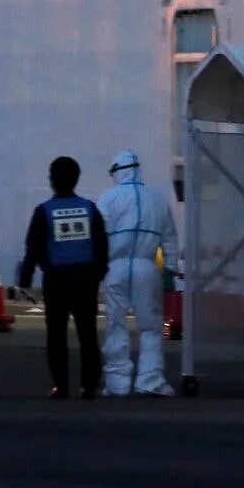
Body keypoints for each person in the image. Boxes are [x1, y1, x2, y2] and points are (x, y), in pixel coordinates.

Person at [17, 156, 109, 400]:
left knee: (56, 334)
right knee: (87, 332)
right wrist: (97, 274)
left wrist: (25, 279)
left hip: (56, 279)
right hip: (85, 280)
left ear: (53, 180)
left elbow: (33, 248)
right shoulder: (90, 209)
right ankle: (89, 385)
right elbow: (102, 245)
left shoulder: (44, 211)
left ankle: (61, 385)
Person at [96, 148, 180, 397]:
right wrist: (171, 269)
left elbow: (97, 237)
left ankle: (117, 384)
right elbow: (170, 239)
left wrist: (96, 269)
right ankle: (150, 380)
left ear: (116, 172)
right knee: (151, 327)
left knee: (115, 325)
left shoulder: (107, 199)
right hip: (147, 267)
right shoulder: (156, 199)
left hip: (114, 268)